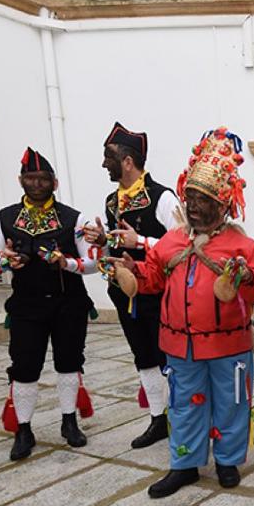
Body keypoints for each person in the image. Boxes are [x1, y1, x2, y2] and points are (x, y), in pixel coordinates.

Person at [110, 128, 254, 498]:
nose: (194, 205)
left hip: (229, 347)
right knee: (183, 405)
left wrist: (244, 275)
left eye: (203, 199)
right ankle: (184, 464)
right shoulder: (172, 241)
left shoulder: (241, 244)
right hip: (179, 347)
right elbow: (152, 278)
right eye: (191, 197)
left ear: (222, 203)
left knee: (232, 403)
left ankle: (228, 460)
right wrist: (131, 273)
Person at [0, 147, 97, 460]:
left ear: (55, 182)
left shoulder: (73, 218)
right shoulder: (6, 216)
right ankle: (23, 429)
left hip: (69, 303)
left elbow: (92, 262)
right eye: (31, 178)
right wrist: (6, 261)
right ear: (21, 180)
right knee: (24, 367)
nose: (37, 184)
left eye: (43, 179)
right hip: (26, 305)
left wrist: (67, 263)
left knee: (69, 362)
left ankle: (69, 421)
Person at [80, 122, 179, 450]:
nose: (103, 163)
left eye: (108, 157)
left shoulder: (163, 197)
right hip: (125, 291)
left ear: (127, 161)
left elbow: (180, 243)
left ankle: (181, 418)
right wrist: (102, 241)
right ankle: (157, 418)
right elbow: (116, 245)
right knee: (143, 356)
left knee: (171, 357)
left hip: (161, 293)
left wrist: (143, 241)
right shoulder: (112, 202)